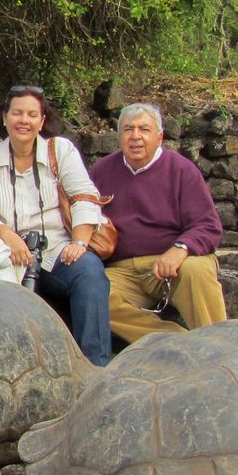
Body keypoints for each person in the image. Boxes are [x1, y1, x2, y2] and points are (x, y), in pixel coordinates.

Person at [0, 85, 112, 367]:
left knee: (90, 273)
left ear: (42, 121)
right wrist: (9, 237)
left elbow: (84, 196)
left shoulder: (61, 150)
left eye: (32, 114)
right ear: (4, 117)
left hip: (57, 250)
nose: (24, 121)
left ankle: (96, 366)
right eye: (17, 113)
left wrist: (79, 243)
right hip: (9, 255)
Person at [89, 102, 229, 343]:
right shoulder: (101, 171)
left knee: (197, 270)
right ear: (119, 136)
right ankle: (176, 341)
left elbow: (208, 226)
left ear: (160, 136)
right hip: (122, 270)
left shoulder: (182, 170)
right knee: (91, 292)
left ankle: (220, 346)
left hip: (171, 266)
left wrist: (180, 249)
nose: (136, 137)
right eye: (128, 129)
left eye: (144, 129)